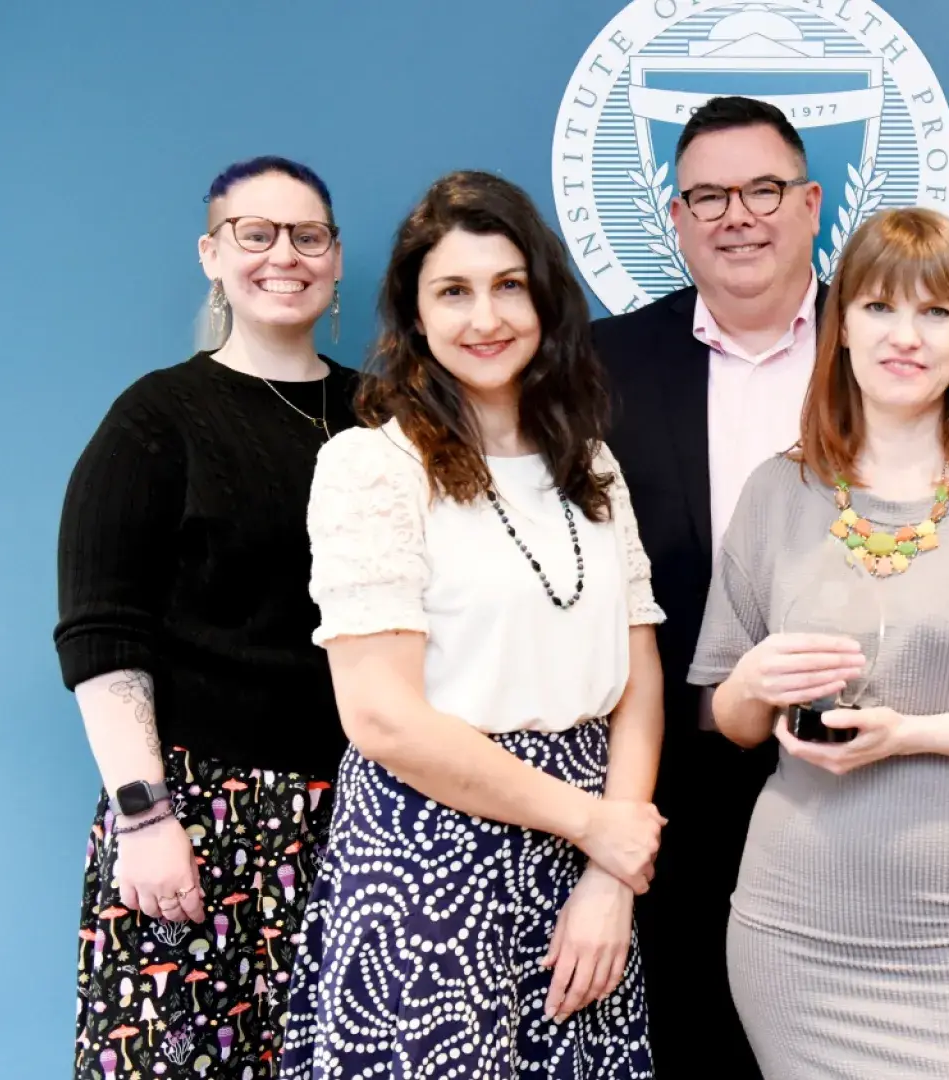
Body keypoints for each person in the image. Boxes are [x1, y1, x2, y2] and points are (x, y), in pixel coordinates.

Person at [689, 207, 949, 1080]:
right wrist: (756, 683)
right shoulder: (780, 490)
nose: (906, 337)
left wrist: (912, 733)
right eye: (880, 308)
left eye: (937, 313)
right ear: (839, 324)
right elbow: (726, 717)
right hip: (796, 932)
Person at [278, 171, 665, 1078]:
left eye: (508, 285)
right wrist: (594, 826)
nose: (484, 317)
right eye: (452, 290)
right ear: (415, 316)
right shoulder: (372, 466)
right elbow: (381, 717)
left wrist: (611, 869)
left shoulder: (593, 465)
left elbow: (637, 676)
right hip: (429, 851)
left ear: (545, 300)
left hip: (585, 853)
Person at [56, 155, 356, 1079]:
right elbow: (103, 633)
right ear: (211, 254)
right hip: (195, 818)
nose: (284, 256)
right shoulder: (158, 418)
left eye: (308, 235)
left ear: (336, 258)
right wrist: (145, 818)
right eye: (254, 234)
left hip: (359, 819)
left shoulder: (386, 417)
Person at [590, 94, 823, 1079]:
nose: (739, 215)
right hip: (674, 775)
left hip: (868, 773)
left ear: (812, 203)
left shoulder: (896, 348)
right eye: (709, 196)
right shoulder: (600, 367)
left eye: (764, 189)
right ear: (675, 221)